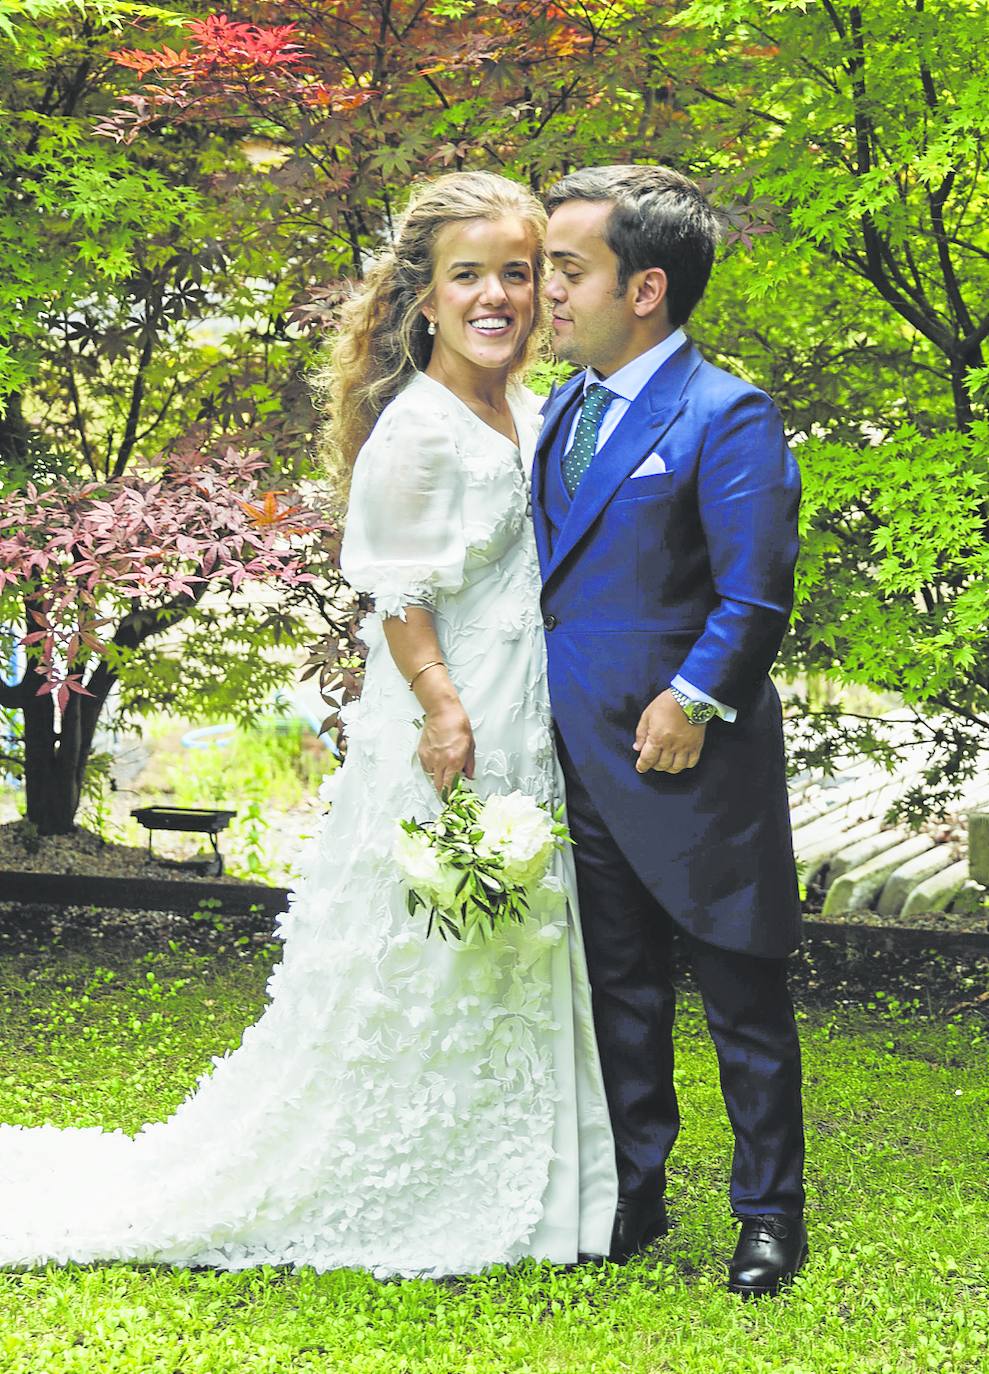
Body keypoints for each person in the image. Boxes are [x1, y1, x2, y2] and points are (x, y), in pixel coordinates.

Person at [0, 171, 618, 1277]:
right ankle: (413, 1160)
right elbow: (394, 589)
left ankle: (534, 1164)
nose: (495, 297)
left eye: (515, 275)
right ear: (420, 297)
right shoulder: (416, 431)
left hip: (530, 708)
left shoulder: (528, 408)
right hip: (454, 714)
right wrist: (439, 708)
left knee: (512, 926)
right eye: (465, 276)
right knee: (432, 933)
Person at [531, 164, 807, 1297]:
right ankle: (634, 1193)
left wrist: (693, 700)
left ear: (642, 288)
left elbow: (755, 592)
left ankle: (768, 1216)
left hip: (689, 760)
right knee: (619, 986)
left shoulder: (724, 412)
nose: (544, 290)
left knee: (740, 991)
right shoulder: (560, 408)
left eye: (566, 269)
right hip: (576, 756)